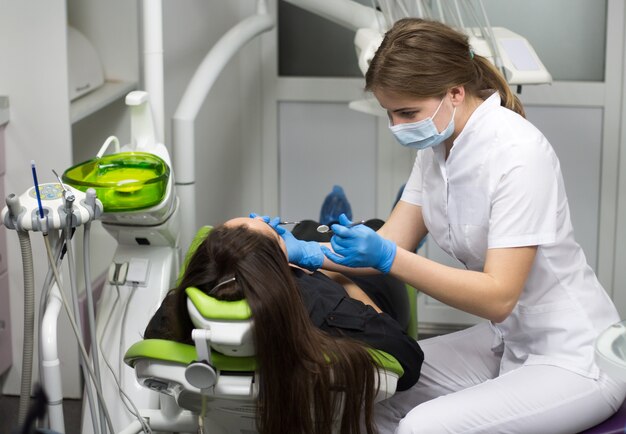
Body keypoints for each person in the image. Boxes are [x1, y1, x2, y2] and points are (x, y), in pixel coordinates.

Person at [262, 18, 626, 434]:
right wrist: (302, 250)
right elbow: (391, 241)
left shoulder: (518, 154)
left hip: (573, 357)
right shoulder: (436, 151)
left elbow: (498, 296)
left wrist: (388, 258)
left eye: (406, 113)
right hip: (506, 342)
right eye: (389, 113)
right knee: (364, 392)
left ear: (455, 93)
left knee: (424, 428)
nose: (396, 127)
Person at [143, 217, 424, 434]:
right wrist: (341, 278)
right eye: (269, 229)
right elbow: (409, 360)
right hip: (357, 285)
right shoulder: (328, 308)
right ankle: (341, 225)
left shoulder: (179, 309)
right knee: (371, 229)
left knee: (308, 230)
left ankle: (317, 228)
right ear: (282, 268)